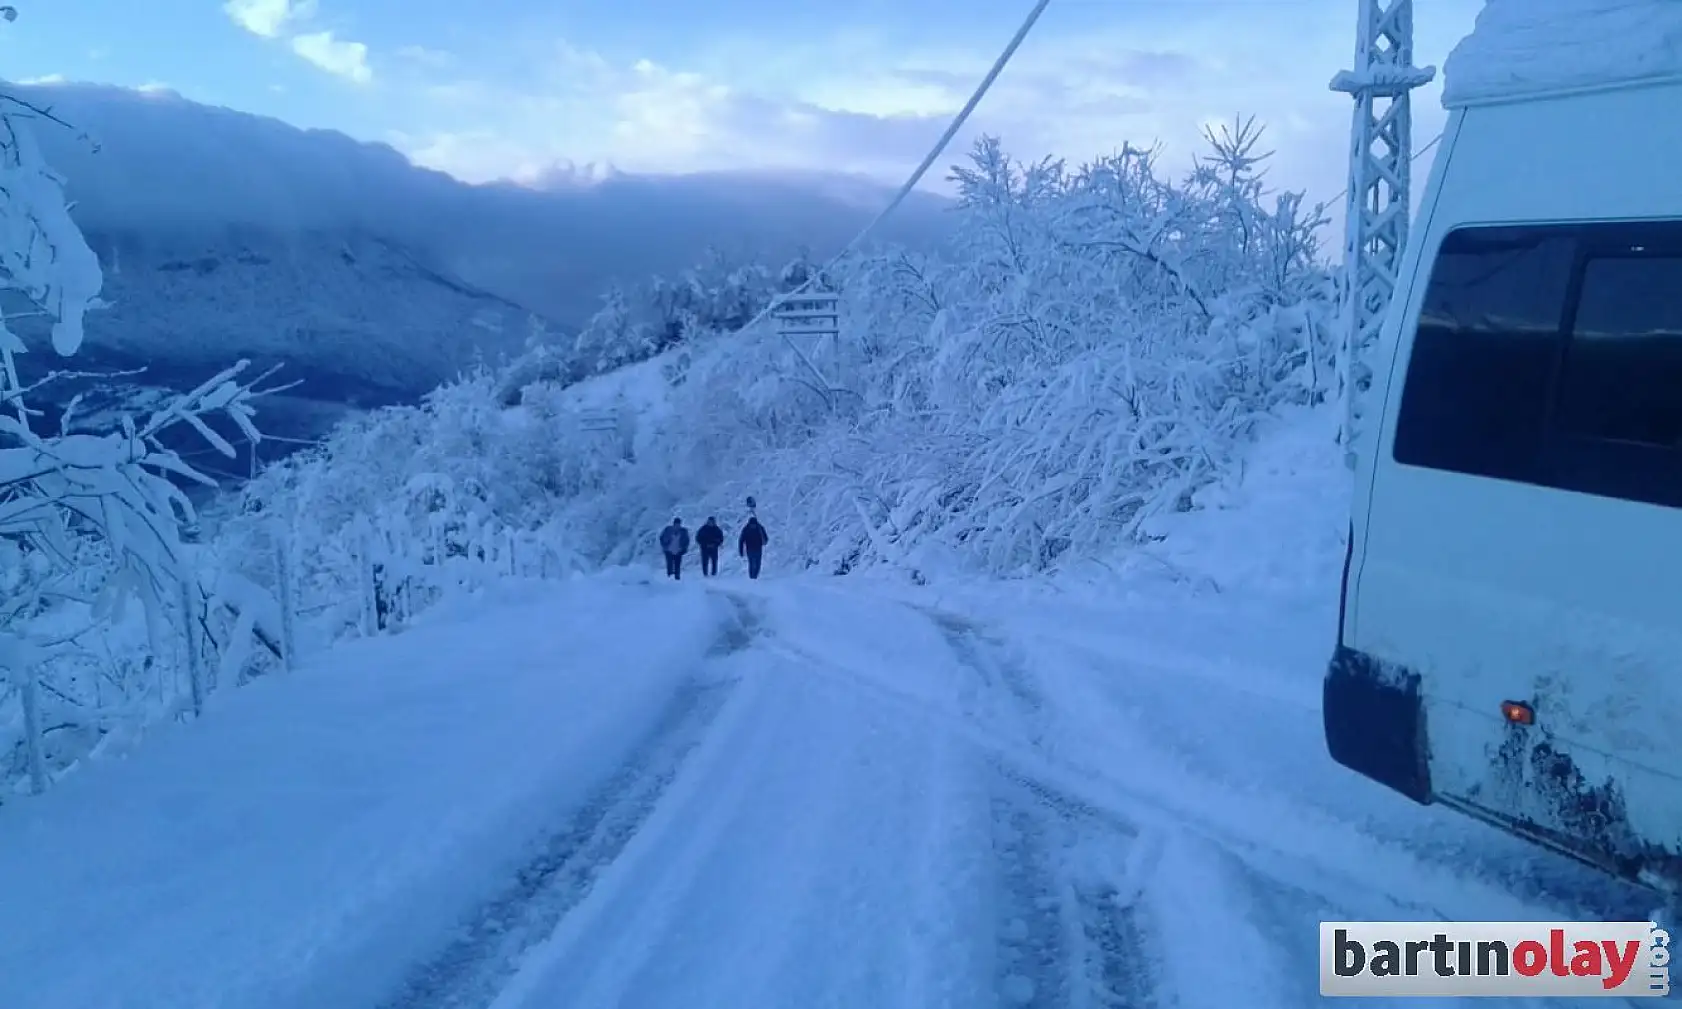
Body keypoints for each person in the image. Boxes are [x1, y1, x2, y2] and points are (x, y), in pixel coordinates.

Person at [738, 515, 768, 580]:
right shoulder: (746, 529)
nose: (753, 526)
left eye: (754, 525)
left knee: (758, 563)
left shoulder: (760, 528)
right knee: (751, 563)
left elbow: (765, 537)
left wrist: (764, 541)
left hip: (758, 549)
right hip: (750, 549)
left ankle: (755, 576)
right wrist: (741, 551)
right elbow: (741, 540)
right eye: (752, 525)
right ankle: (752, 577)